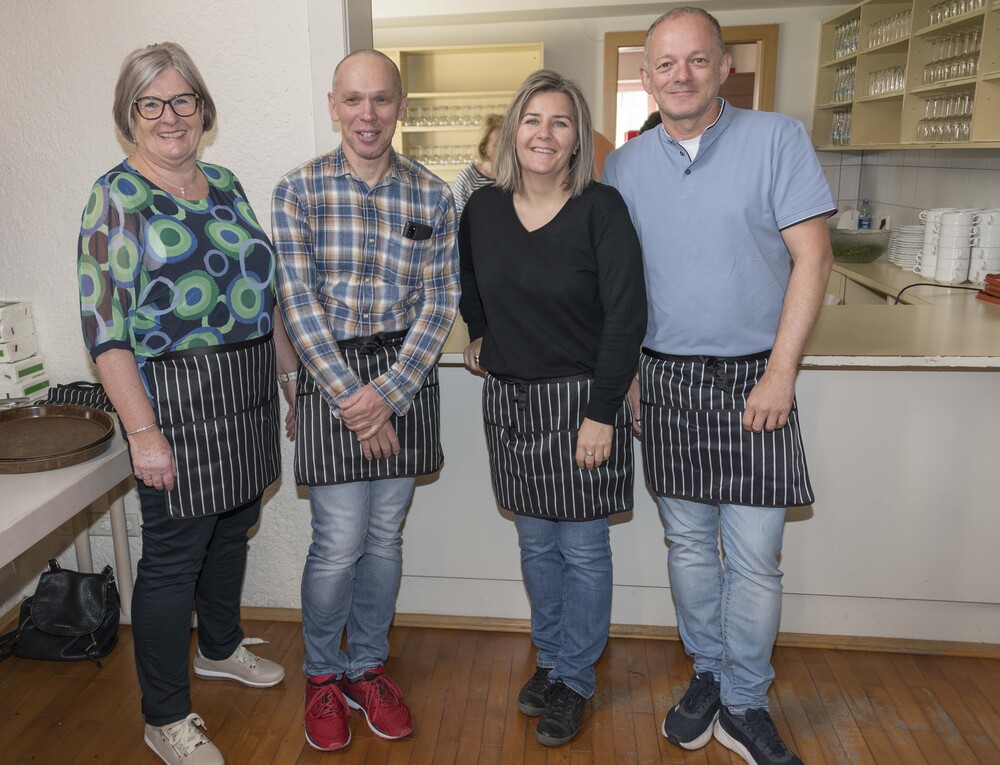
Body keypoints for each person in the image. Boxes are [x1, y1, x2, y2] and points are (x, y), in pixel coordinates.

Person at [602, 8, 834, 765]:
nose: (682, 75)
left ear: (724, 67)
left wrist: (780, 372)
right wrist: (629, 376)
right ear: (647, 78)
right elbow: (619, 288)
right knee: (690, 546)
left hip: (756, 380)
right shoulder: (623, 169)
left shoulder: (778, 139)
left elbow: (814, 258)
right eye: (666, 64)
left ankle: (745, 700)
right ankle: (708, 672)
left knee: (756, 556)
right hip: (665, 379)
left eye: (697, 60)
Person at [78, 42, 296, 765]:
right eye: (152, 103)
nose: (170, 116)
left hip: (247, 391)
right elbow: (106, 332)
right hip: (173, 403)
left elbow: (262, 295)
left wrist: (289, 375)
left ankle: (221, 647)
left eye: (183, 100)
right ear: (129, 116)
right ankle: (165, 715)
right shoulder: (114, 197)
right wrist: (142, 432)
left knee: (233, 528)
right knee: (174, 558)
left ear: (203, 108)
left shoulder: (225, 183)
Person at [271, 49, 459, 753]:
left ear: (400, 107)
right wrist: (353, 396)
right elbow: (296, 301)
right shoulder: (297, 190)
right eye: (353, 99)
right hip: (331, 373)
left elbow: (441, 300)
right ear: (333, 106)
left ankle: (366, 669)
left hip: (405, 373)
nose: (368, 114)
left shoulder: (433, 196)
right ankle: (323, 675)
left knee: (384, 537)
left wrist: (389, 393)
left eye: (381, 99)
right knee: (338, 541)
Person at [459, 69, 646, 747]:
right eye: (532, 119)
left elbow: (626, 316)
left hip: (581, 402)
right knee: (536, 544)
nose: (544, 133)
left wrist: (602, 411)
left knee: (584, 550)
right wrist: (481, 334)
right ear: (514, 131)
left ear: (577, 138)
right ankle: (551, 658)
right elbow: (470, 283)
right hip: (511, 401)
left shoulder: (602, 209)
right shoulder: (482, 209)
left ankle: (575, 678)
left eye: (560, 121)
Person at [451, 113, 502, 217]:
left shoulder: (518, 175)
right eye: (497, 145)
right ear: (483, 147)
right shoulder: (467, 178)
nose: (503, 149)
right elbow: (458, 220)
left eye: (506, 143)